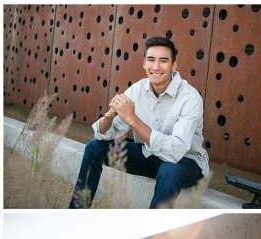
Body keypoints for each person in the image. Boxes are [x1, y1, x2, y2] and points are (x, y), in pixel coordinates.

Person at [69, 36, 208, 209]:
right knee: (94, 147)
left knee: (169, 170)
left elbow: (176, 151)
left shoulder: (190, 98)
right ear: (144, 64)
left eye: (163, 61)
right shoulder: (137, 89)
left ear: (174, 66)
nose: (156, 67)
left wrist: (132, 119)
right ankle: (76, 213)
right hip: (149, 154)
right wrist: (110, 116)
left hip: (186, 162)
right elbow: (103, 135)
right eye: (151, 60)